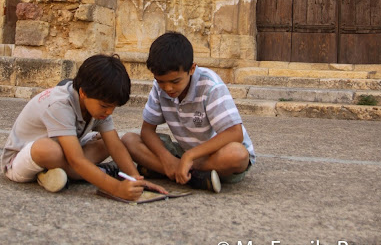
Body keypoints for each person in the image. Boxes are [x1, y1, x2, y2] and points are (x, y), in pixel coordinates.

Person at [1, 53, 167, 200]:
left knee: (108, 141)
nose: (109, 111)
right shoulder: (60, 104)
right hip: (20, 161)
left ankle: (56, 174)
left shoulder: (98, 106)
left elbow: (115, 146)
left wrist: (136, 180)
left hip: (65, 151)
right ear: (83, 93)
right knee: (48, 149)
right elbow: (76, 159)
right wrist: (116, 188)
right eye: (104, 106)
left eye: (113, 107)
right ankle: (90, 173)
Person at [122, 32, 255, 193]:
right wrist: (167, 158)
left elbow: (235, 133)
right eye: (161, 81)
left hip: (213, 155)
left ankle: (174, 171)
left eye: (175, 81)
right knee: (129, 140)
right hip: (184, 153)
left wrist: (189, 157)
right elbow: (147, 131)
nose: (168, 88)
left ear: (192, 69)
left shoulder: (210, 86)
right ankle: (191, 176)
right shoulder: (159, 88)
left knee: (237, 155)